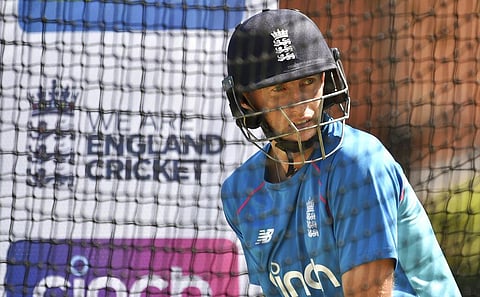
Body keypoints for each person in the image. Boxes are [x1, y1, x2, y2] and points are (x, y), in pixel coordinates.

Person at [220, 9, 461, 297]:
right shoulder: (240, 192)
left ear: (329, 80)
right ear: (245, 102)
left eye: (308, 82)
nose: (303, 107)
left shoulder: (359, 164)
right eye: (280, 89)